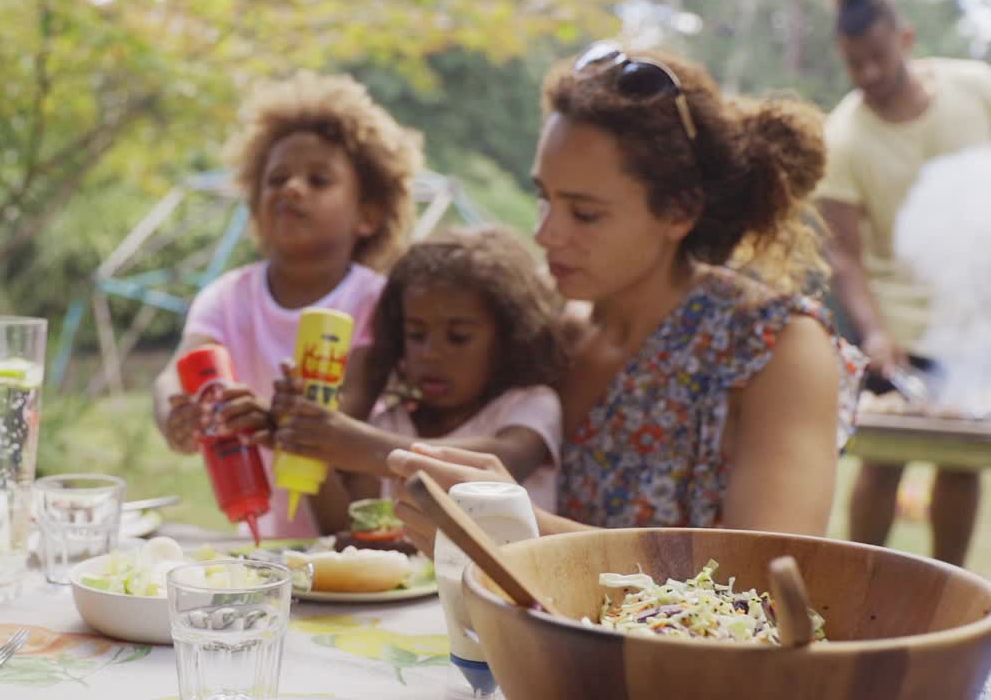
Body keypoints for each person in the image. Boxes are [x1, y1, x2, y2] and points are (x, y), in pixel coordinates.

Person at [387, 42, 864, 555]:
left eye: (585, 214)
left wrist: (515, 527)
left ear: (679, 212)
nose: (546, 233)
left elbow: (767, 574)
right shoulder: (550, 333)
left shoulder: (774, 346)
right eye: (544, 198)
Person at [151, 71, 424, 537]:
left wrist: (273, 419)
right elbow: (177, 372)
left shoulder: (374, 301)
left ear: (368, 214)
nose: (292, 188)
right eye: (276, 178)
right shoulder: (226, 297)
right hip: (265, 541)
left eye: (318, 180)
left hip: (352, 537)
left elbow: (346, 415)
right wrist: (176, 413)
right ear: (255, 203)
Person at [818, 0, 991, 567]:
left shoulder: (975, 87)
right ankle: (863, 580)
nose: (867, 74)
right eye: (854, 63)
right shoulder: (843, 136)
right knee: (882, 459)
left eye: (878, 58)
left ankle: (951, 590)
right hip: (896, 325)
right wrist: (874, 331)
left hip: (973, 323)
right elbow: (845, 254)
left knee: (963, 463)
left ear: (906, 39)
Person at [267, 225, 565, 515]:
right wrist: (307, 441)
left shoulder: (529, 406)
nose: (431, 354)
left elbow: (500, 464)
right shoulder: (391, 425)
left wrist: (358, 445)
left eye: (458, 337)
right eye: (416, 334)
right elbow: (343, 525)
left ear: (509, 338)